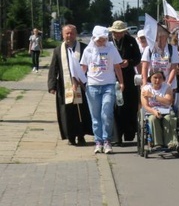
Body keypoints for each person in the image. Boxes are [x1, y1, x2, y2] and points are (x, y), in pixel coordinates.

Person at [80, 25, 124, 155]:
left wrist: (121, 82)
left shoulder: (111, 49)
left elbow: (117, 66)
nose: (101, 42)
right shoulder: (88, 50)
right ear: (94, 38)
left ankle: (107, 140)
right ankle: (98, 141)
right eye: (99, 40)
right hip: (92, 86)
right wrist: (79, 81)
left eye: (103, 39)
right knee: (96, 116)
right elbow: (83, 68)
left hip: (108, 85)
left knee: (106, 113)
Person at [48, 24, 92, 146]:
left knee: (81, 112)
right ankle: (70, 136)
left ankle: (81, 135)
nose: (69, 35)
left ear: (75, 34)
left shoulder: (84, 48)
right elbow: (53, 68)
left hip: (81, 86)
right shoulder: (58, 50)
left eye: (71, 33)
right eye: (67, 33)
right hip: (64, 86)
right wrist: (51, 85)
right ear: (63, 35)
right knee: (67, 113)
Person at [109, 20, 141, 145]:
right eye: (116, 33)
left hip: (128, 76)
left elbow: (138, 58)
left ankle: (129, 133)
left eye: (121, 33)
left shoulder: (131, 41)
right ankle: (116, 137)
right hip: (112, 76)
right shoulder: (108, 42)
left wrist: (129, 62)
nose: (118, 35)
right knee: (115, 107)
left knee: (129, 105)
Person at [140, 70, 178, 149]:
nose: (157, 80)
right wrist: (154, 111)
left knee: (168, 118)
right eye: (155, 78)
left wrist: (153, 96)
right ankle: (157, 143)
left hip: (166, 110)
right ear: (150, 78)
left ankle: (171, 142)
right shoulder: (145, 89)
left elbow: (168, 101)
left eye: (160, 78)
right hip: (152, 111)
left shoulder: (167, 87)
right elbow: (145, 105)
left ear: (163, 79)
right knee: (152, 119)